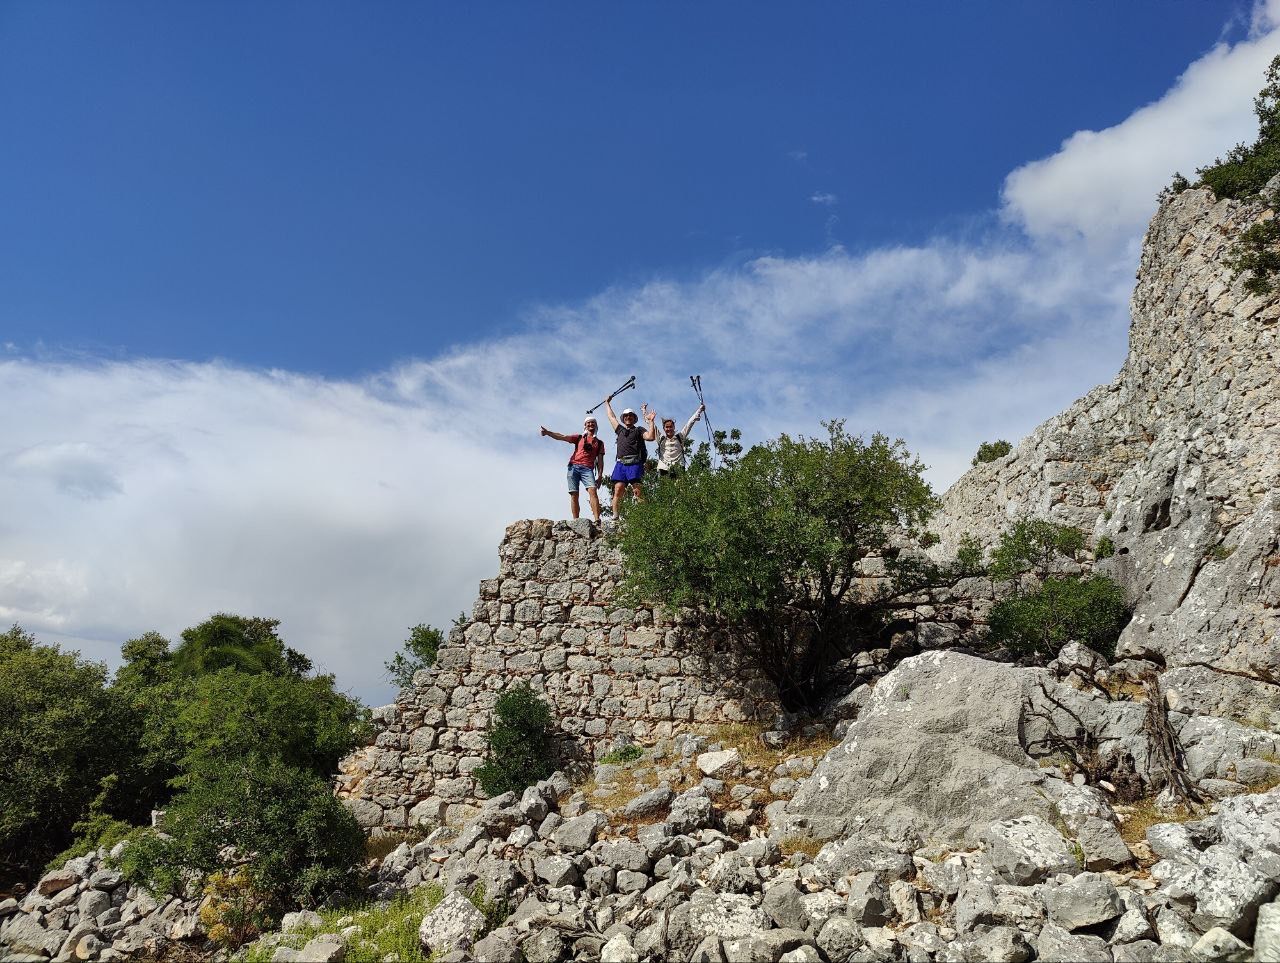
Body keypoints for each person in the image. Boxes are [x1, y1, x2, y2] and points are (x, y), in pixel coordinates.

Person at [539, 416, 606, 524]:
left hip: (588, 469)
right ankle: (576, 521)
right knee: (574, 494)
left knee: (593, 491)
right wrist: (548, 433)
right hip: (573, 467)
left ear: (596, 425)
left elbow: (600, 460)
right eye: (588, 423)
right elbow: (562, 437)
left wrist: (600, 475)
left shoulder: (599, 443)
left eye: (593, 423)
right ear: (585, 426)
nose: (590, 424)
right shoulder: (579, 438)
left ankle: (597, 519)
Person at [603, 396, 655, 515]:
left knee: (637, 491)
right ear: (623, 418)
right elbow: (611, 417)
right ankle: (615, 518)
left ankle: (645, 517)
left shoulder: (639, 430)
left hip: (635, 463)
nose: (628, 417)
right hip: (621, 463)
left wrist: (651, 421)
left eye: (630, 415)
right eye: (626, 416)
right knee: (618, 490)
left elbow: (650, 437)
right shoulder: (620, 430)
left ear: (634, 418)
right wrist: (607, 403)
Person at [653, 403, 705, 479]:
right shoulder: (661, 438)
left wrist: (699, 410)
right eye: (667, 427)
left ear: (674, 427)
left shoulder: (680, 437)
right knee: (663, 489)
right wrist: (645, 412)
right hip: (663, 467)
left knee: (679, 489)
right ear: (664, 428)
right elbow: (652, 425)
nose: (669, 429)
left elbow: (689, 423)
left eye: (670, 427)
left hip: (678, 467)